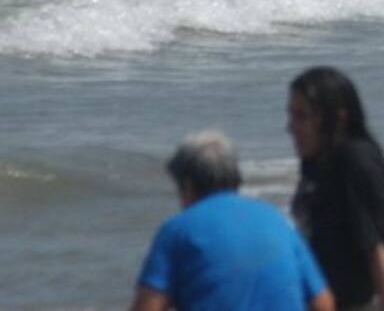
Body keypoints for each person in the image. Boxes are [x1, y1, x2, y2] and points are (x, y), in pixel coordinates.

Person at [130, 130, 334, 311]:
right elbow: (323, 303)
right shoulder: (277, 221)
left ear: (188, 186)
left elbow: (149, 306)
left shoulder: (177, 231)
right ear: (236, 181)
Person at [288, 67, 384, 311]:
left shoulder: (355, 161)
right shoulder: (316, 161)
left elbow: (379, 247)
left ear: (339, 117)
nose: (291, 126)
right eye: (291, 115)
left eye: (302, 116)